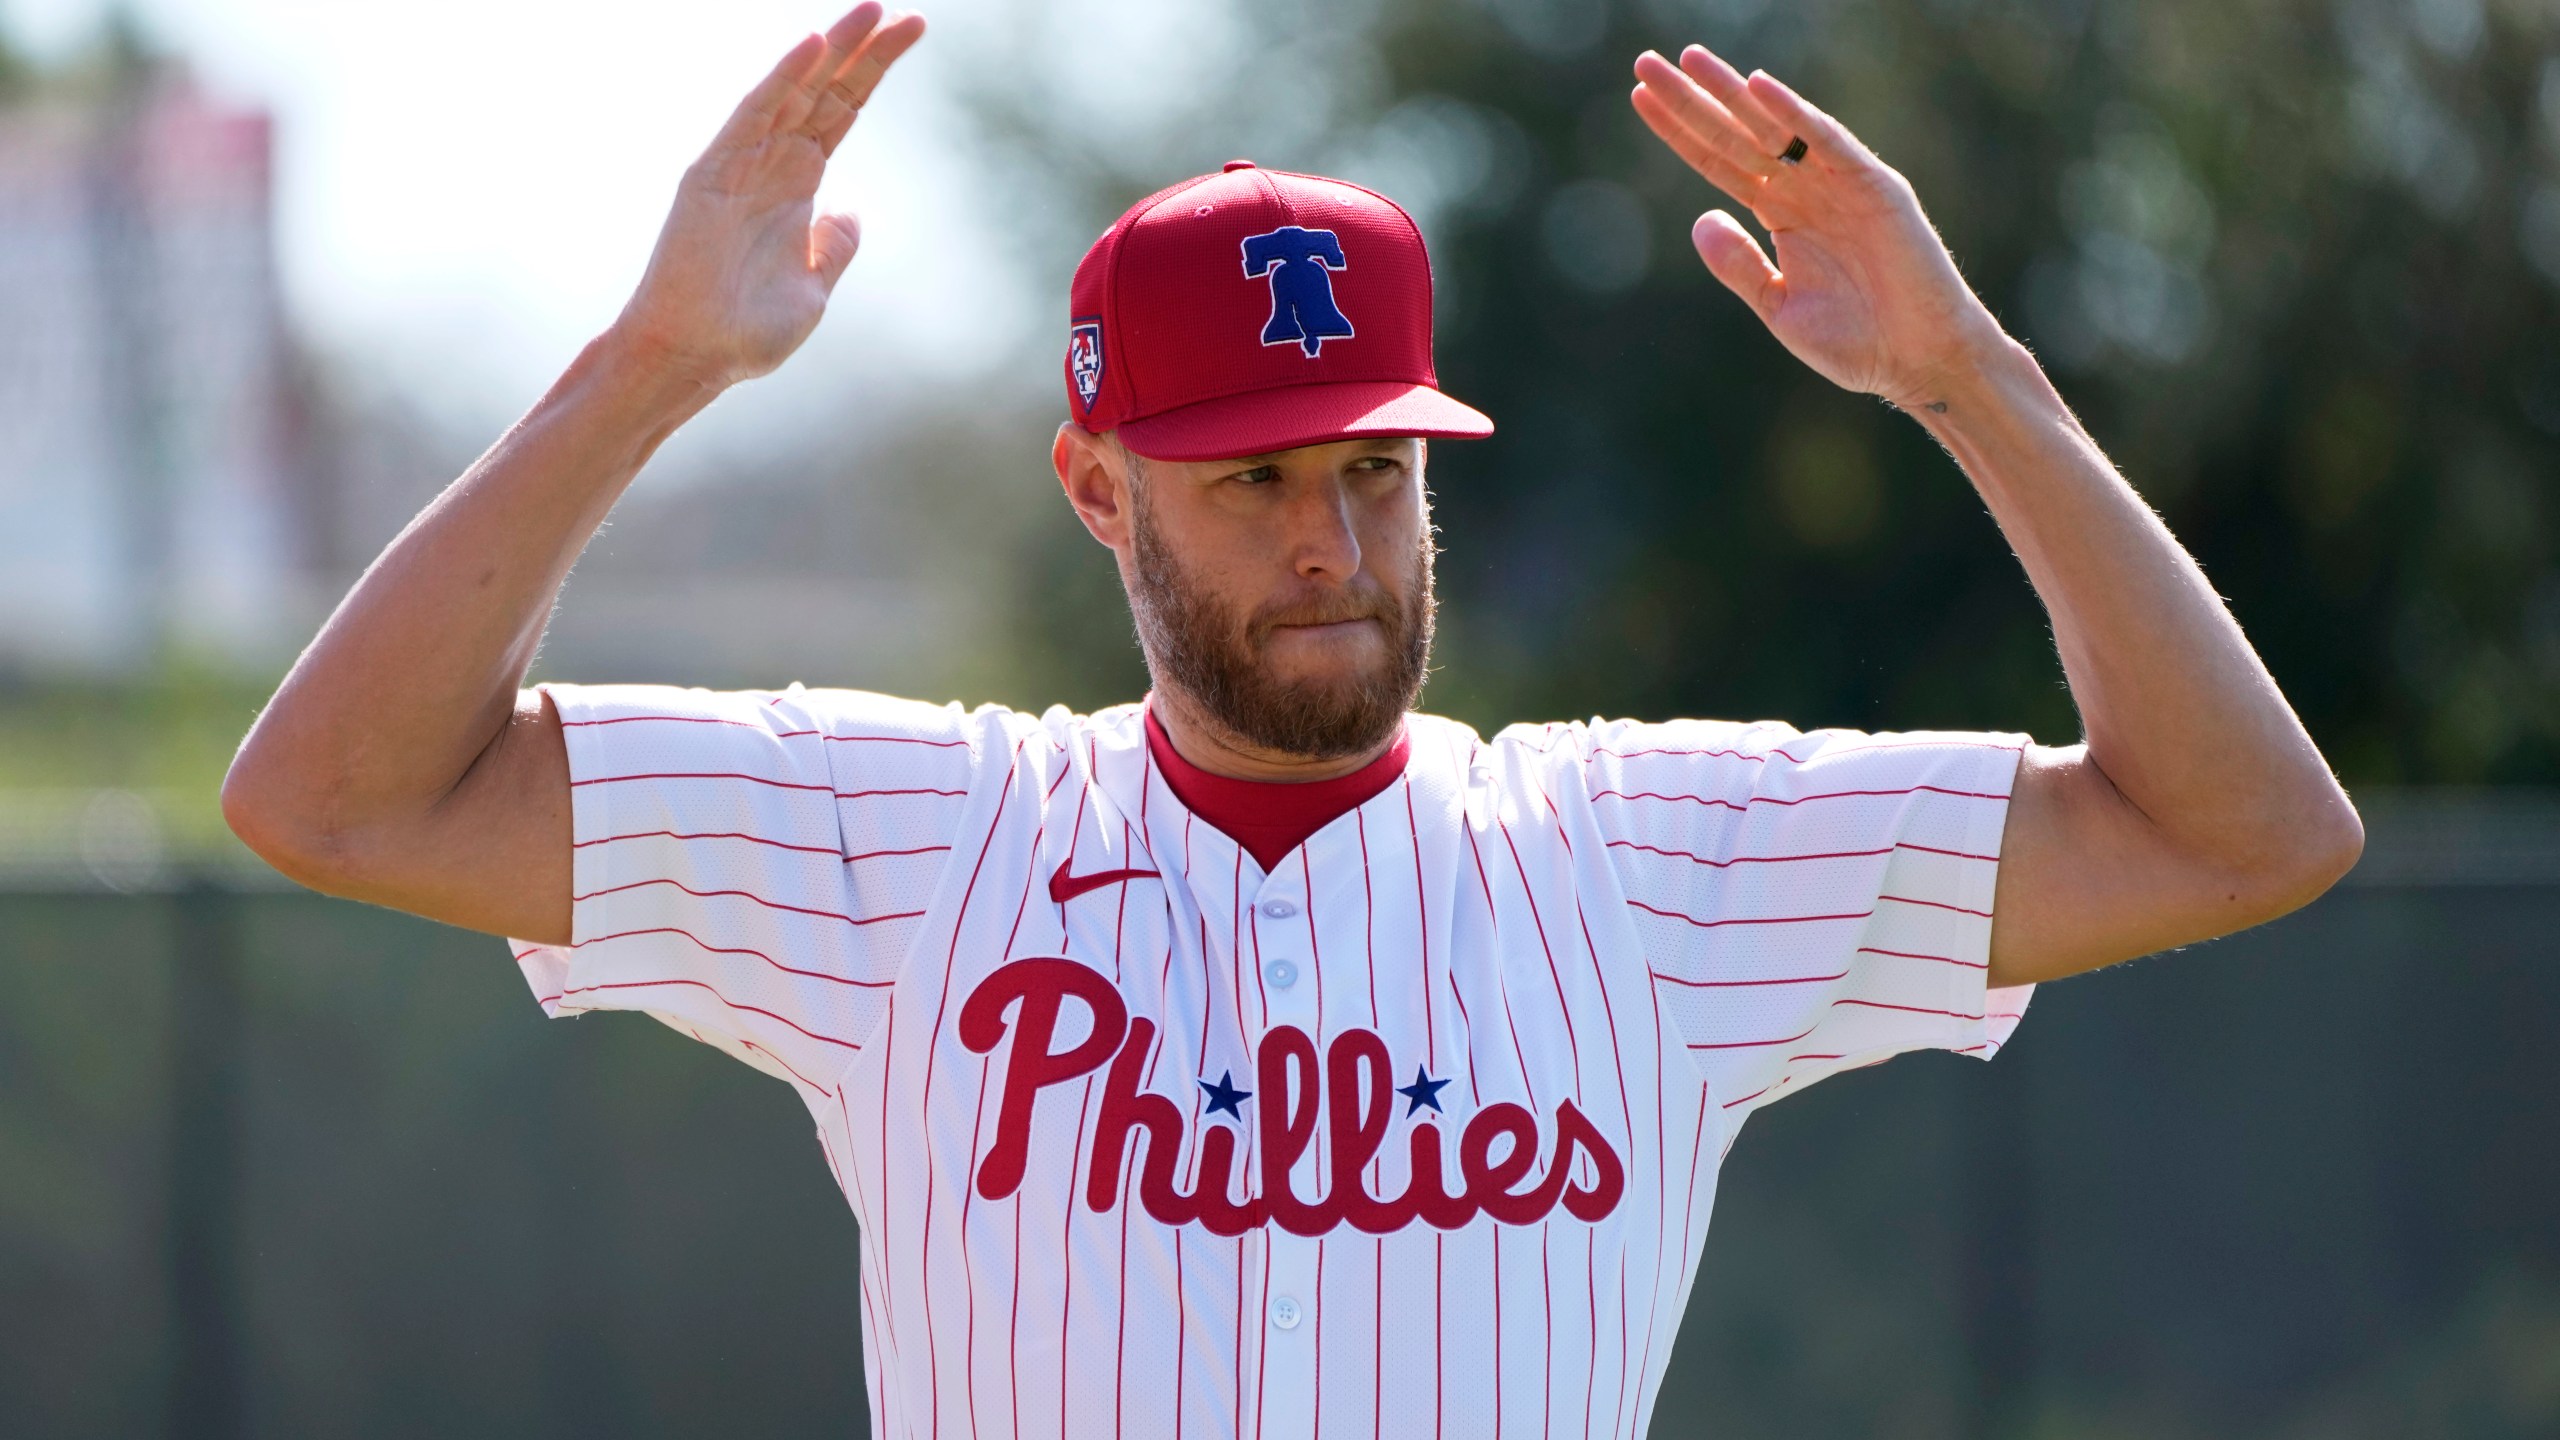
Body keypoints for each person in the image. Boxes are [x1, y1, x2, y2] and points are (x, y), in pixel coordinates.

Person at [220, 6, 2364, 1435]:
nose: (1328, 537)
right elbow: (333, 793)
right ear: (1096, 490)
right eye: (1249, 479)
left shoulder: (1643, 862)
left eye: (1371, 466)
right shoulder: (915, 842)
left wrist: (1961, 376)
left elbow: (2238, 833)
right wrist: (651, 367)